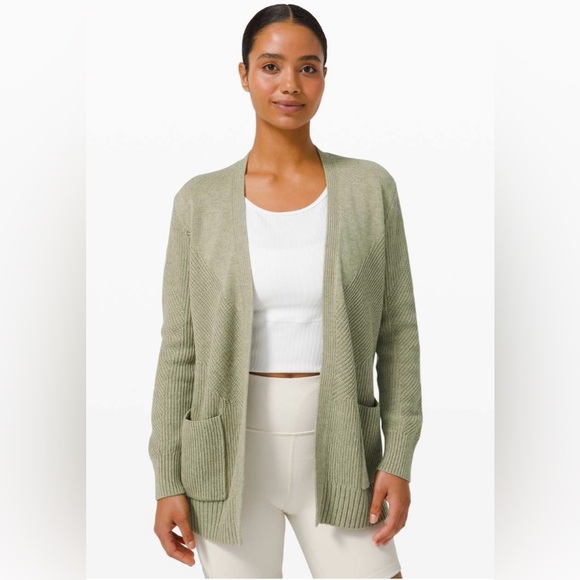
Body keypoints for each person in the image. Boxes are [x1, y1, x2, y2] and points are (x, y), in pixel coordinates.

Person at [148, 4, 422, 578]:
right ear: (244, 74)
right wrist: (167, 478)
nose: (290, 84)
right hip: (226, 459)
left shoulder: (369, 189)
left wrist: (398, 457)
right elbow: (180, 351)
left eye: (308, 67)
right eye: (271, 66)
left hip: (344, 449)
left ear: (324, 76)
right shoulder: (198, 202)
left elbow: (398, 337)